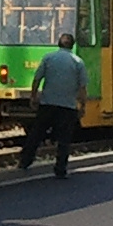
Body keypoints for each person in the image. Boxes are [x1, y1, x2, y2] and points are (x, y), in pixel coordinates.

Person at [20, 30, 87, 178]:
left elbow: (37, 79)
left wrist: (33, 97)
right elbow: (82, 87)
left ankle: (25, 161)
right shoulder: (77, 62)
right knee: (64, 139)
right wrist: (82, 106)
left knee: (36, 134)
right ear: (72, 45)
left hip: (48, 103)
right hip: (67, 106)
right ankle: (60, 169)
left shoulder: (48, 58)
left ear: (58, 44)